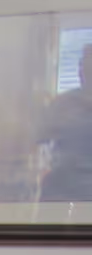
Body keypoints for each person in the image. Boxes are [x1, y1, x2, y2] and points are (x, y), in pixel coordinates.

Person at [40, 45, 92, 203]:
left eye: (87, 66)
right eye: (81, 66)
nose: (81, 72)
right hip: (60, 193)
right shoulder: (62, 103)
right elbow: (37, 137)